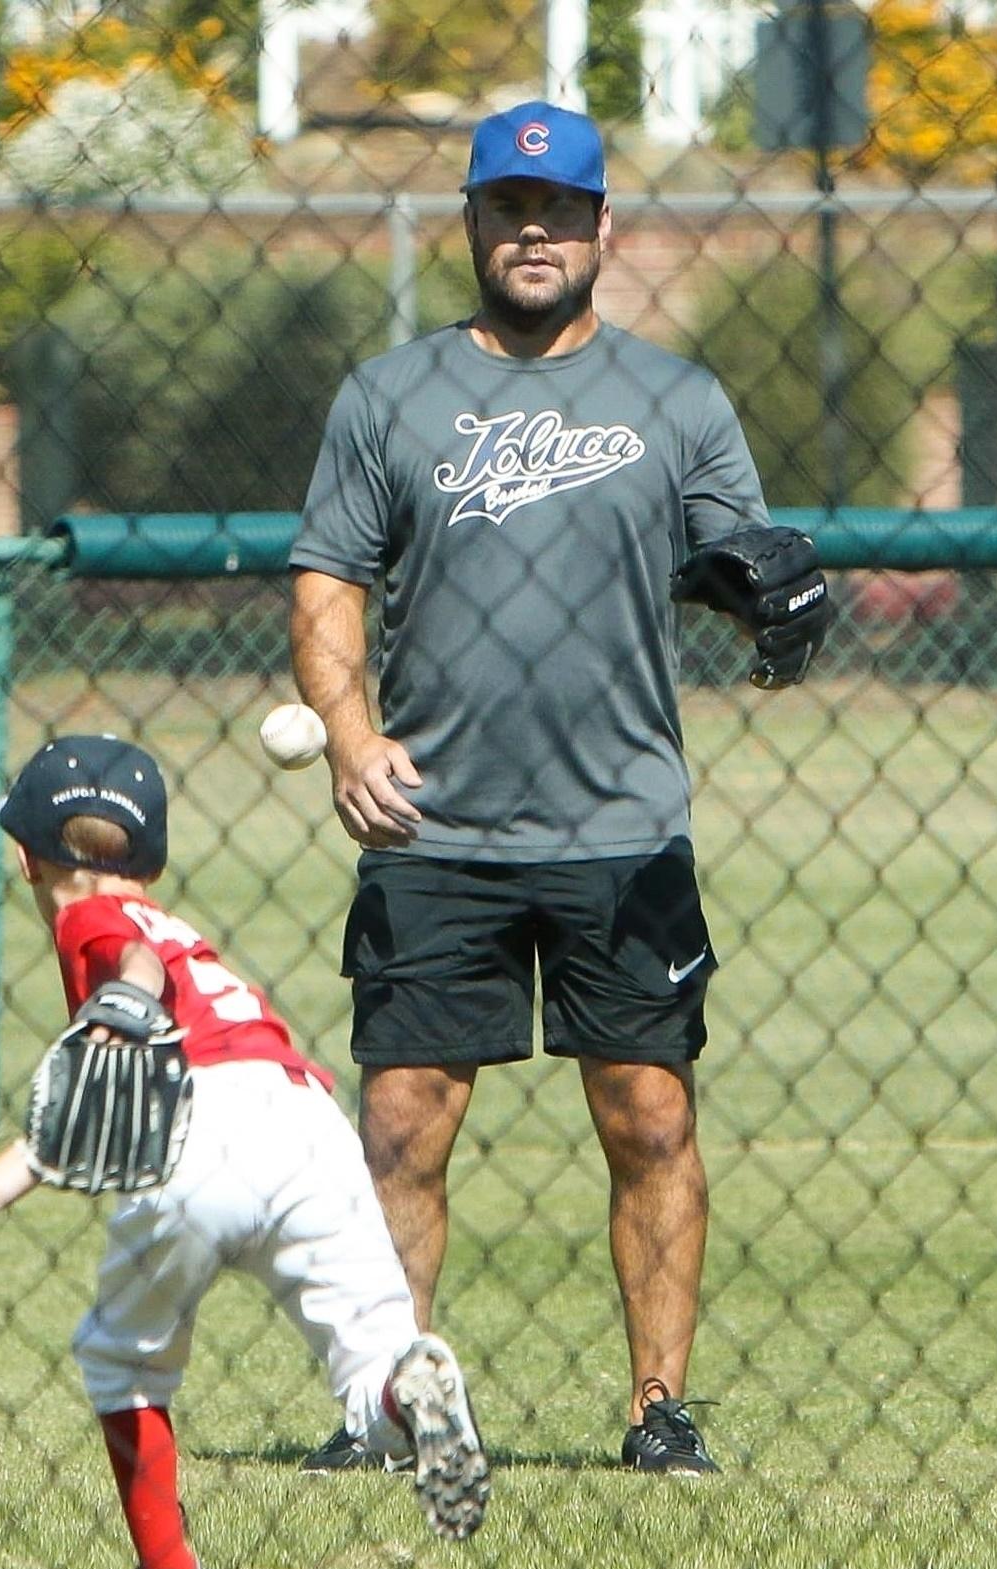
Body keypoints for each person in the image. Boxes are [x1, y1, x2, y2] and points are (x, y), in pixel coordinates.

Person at [288, 101, 784, 1475]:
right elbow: (329, 573)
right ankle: (384, 1401)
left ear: (602, 227)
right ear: (472, 224)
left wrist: (775, 603)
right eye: (509, 210)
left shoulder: (675, 402)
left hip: (619, 825)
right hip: (433, 821)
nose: (533, 234)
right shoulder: (392, 396)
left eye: (559, 210)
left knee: (651, 1113)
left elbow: (744, 566)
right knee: (398, 1125)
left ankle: (659, 1407)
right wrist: (347, 729)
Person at [0, 734, 490, 1569]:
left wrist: (127, 1004)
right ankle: (409, 1399)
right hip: (303, 1121)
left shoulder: (92, 923)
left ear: (24, 855)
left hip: (200, 1125)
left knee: (123, 1359)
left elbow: (128, 978)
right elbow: (99, 1100)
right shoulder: (176, 927)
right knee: (371, 1360)